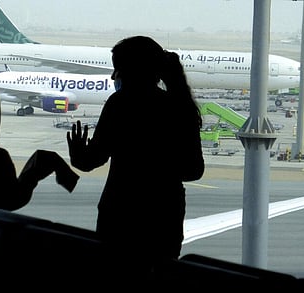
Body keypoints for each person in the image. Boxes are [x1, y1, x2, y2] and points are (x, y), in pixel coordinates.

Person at [67, 36, 204, 271]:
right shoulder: (179, 107)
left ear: (131, 71)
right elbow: (194, 170)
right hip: (164, 216)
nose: (113, 76)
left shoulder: (120, 104)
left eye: (117, 68)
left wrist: (78, 155)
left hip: (120, 212)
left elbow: (91, 161)